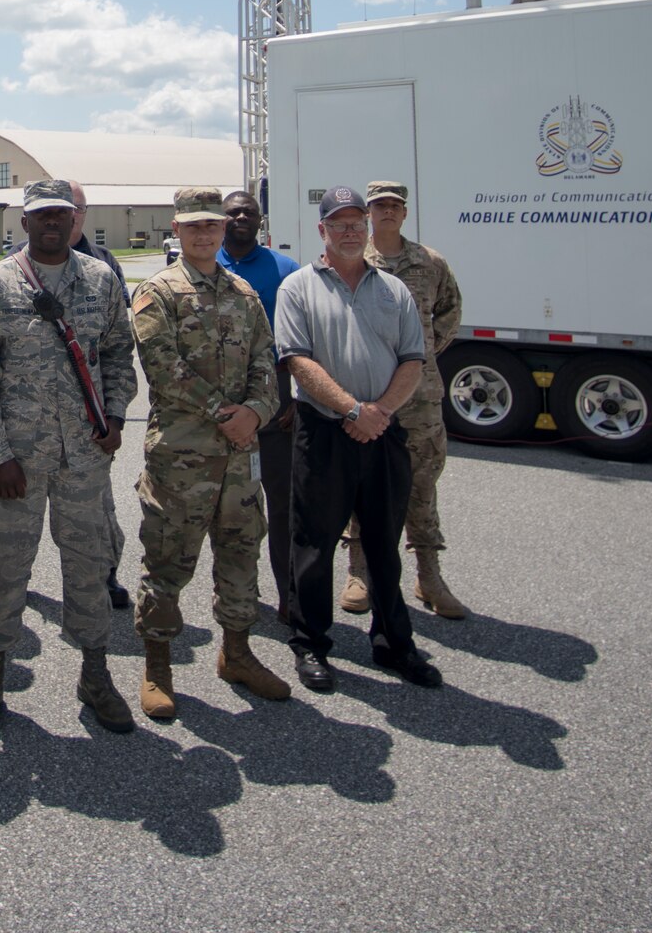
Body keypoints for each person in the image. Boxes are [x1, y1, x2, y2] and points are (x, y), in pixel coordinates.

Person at [0, 179, 137, 739]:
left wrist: (115, 414)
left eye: (62, 214)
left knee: (89, 567)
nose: (53, 223)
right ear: (25, 222)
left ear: (74, 219)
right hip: (17, 461)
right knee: (3, 567)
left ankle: (95, 673)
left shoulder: (101, 280)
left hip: (84, 457)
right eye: (42, 216)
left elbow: (117, 353)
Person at [274, 186, 441, 692]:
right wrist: (351, 409)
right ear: (321, 230)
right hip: (325, 433)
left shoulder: (394, 290)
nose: (349, 231)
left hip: (384, 432)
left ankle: (393, 643)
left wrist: (380, 412)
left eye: (356, 223)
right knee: (314, 544)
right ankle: (311, 644)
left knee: (383, 544)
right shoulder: (298, 288)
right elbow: (297, 360)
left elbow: (414, 358)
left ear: (367, 230)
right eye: (338, 223)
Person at [131, 187, 291, 715]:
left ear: (224, 230)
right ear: (176, 230)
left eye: (213, 225)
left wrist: (259, 412)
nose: (204, 234)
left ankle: (237, 653)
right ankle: (157, 665)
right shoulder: (159, 292)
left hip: (241, 458)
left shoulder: (244, 294)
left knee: (242, 554)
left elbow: (266, 363)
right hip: (182, 458)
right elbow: (163, 368)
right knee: (168, 560)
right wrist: (230, 414)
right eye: (193, 226)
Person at [348, 180, 467, 619]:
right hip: (367, 393)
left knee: (421, 485)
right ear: (367, 213)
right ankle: (358, 570)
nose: (388, 213)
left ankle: (429, 574)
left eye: (395, 206)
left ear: (404, 212)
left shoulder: (429, 263)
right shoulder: (353, 261)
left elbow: (449, 314)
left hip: (419, 397)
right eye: (379, 206)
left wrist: (420, 359)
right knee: (362, 481)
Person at [216, 190, 302, 623]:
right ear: (221, 220)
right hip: (217, 413)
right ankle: (233, 596)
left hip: (276, 409)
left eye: (249, 212)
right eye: (233, 213)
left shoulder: (286, 271)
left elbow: (304, 344)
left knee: (284, 506)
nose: (241, 218)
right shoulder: (201, 265)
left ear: (261, 220)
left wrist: (297, 399)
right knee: (224, 510)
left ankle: (290, 593)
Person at [64, 180, 133, 611]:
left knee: (97, 506)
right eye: (62, 207)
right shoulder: (17, 265)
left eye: (77, 208)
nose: (69, 215)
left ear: (84, 214)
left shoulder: (105, 265)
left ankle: (104, 573)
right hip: (33, 417)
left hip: (91, 418)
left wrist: (116, 413)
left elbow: (119, 347)